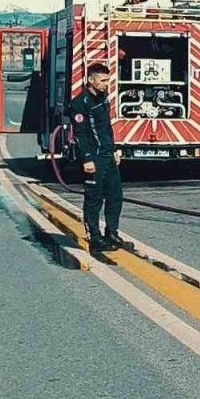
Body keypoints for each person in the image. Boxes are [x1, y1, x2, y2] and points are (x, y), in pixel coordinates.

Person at [69, 63, 124, 255]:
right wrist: (87, 159)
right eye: (102, 80)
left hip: (108, 155)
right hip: (93, 157)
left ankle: (112, 233)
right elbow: (81, 134)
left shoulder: (103, 99)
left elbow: (106, 128)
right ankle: (94, 237)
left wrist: (114, 149)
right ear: (91, 80)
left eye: (107, 80)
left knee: (115, 196)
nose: (106, 84)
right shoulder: (79, 103)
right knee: (94, 199)